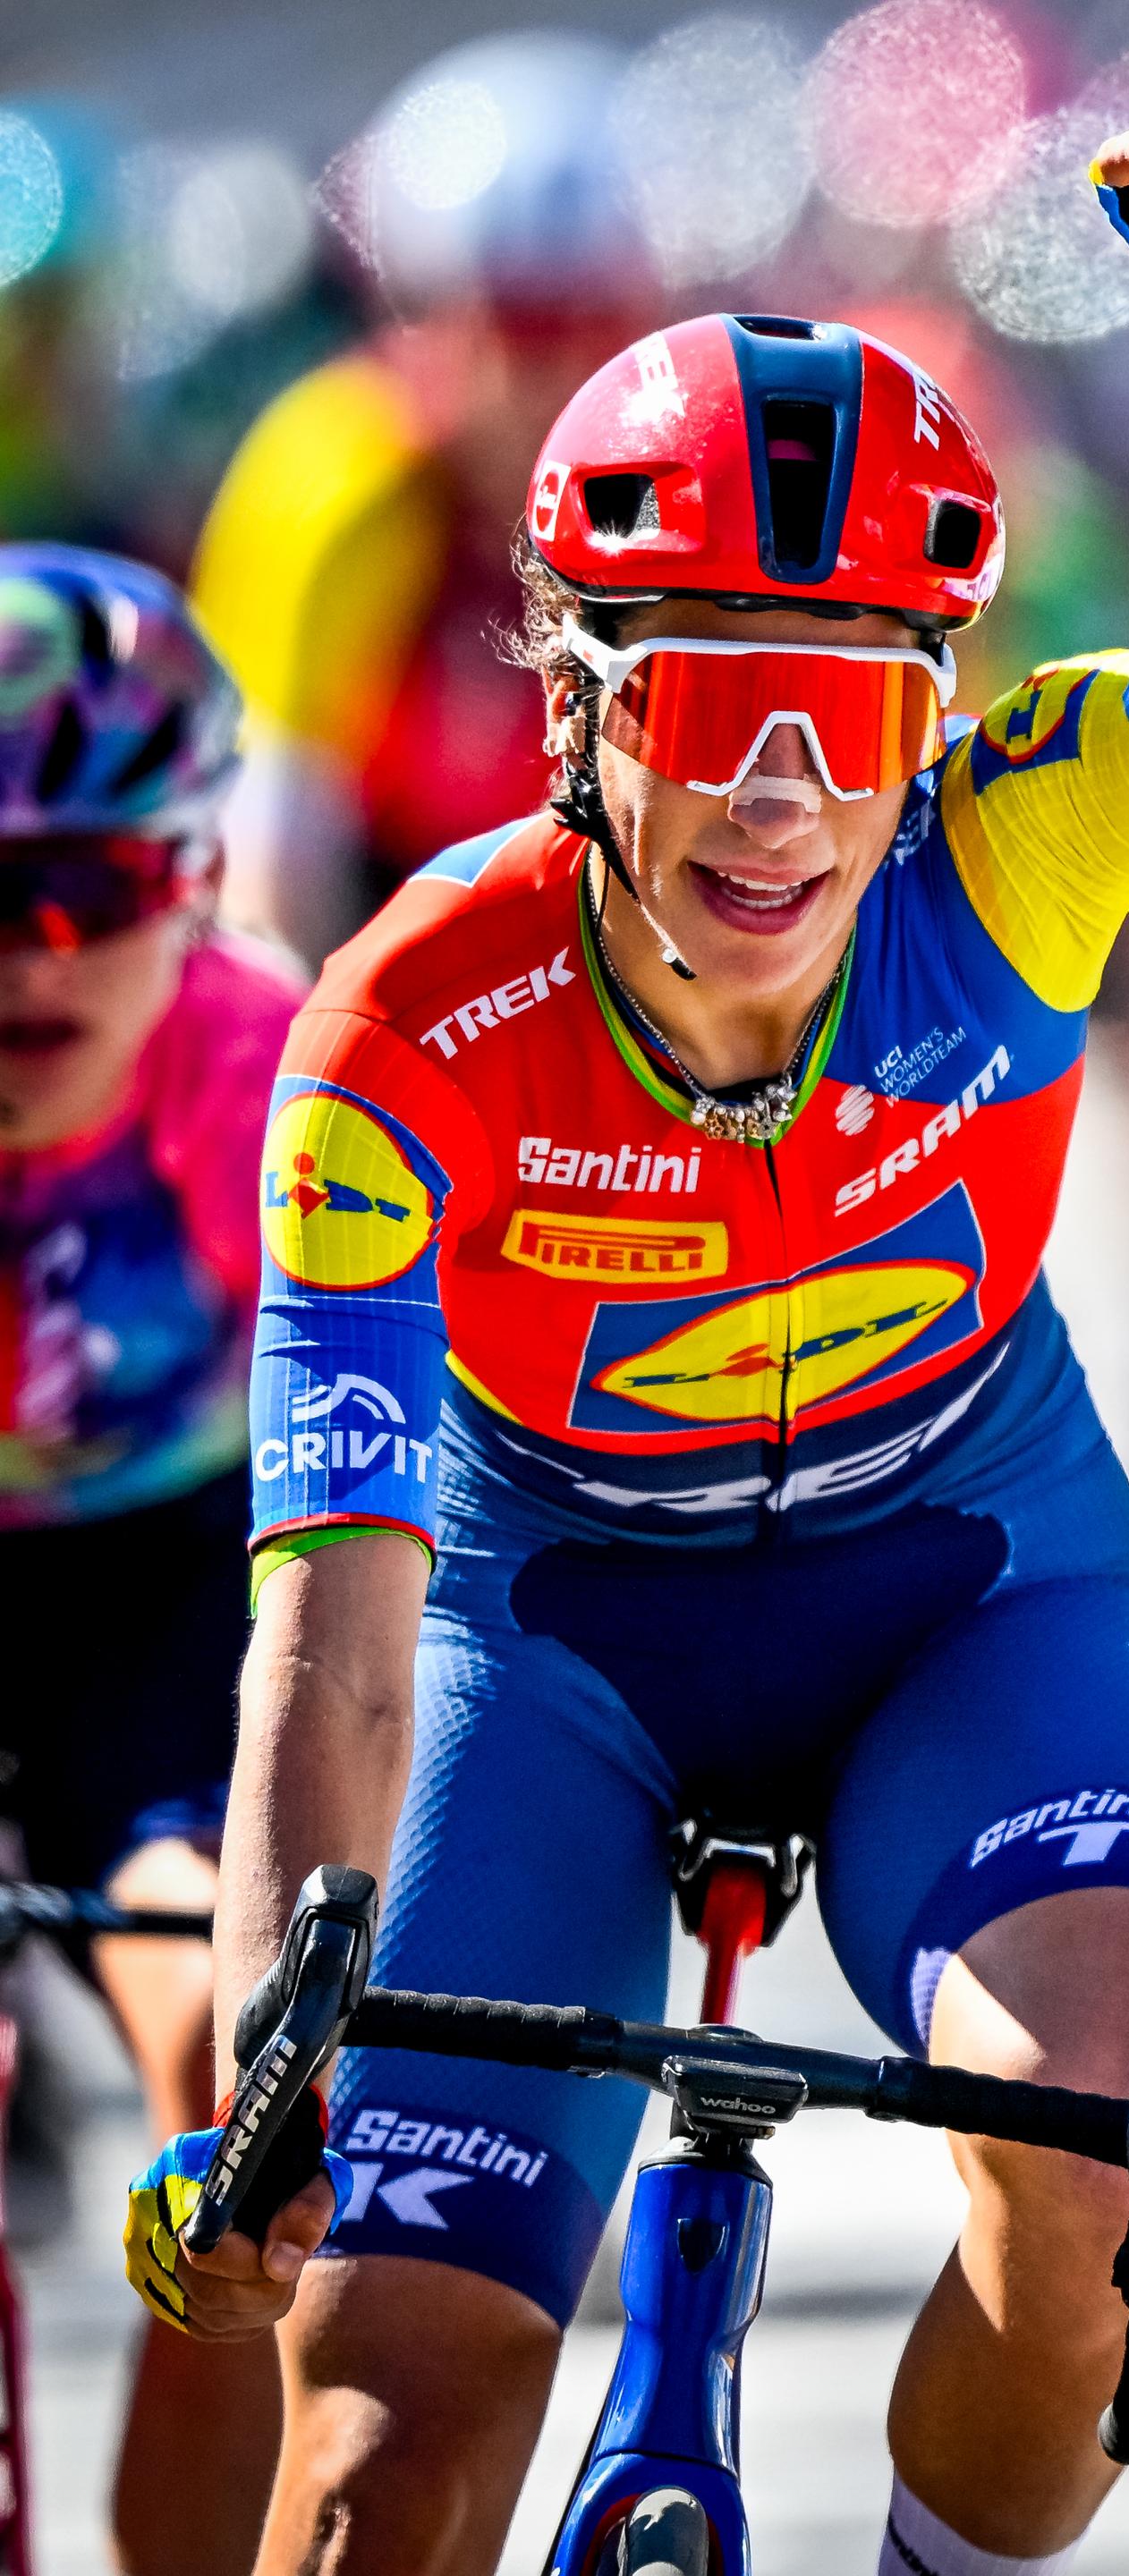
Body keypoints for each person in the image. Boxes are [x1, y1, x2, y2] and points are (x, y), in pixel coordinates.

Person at [125, 79, 1129, 2576]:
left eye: (862, 705)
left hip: (960, 1580)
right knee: (385, 2445)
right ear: (581, 698)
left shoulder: (1010, 840)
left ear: (945, 708)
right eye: (722, 702)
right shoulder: (407, 1031)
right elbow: (341, 1635)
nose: (792, 799)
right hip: (550, 1629)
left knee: (1104, 2208)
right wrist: (284, 2038)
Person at [0, 544, 306, 2572]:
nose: (26, 956)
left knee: (234, 2067)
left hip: (155, 1593)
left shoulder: (259, 1061)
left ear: (192, 879)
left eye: (89, 891)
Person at [190, 34, 659, 970]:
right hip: (374, 936)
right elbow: (256, 873)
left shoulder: (678, 485)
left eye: (593, 326)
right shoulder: (340, 479)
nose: (556, 379)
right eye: (519, 331)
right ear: (420, 315)